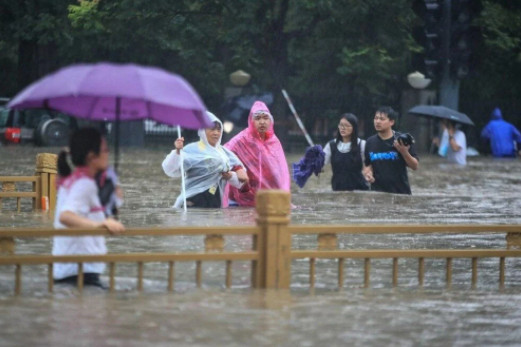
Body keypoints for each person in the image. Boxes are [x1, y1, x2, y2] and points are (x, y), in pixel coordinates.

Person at [54, 127, 125, 288]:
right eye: (105, 150)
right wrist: (100, 225)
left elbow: (104, 208)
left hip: (75, 268)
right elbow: (66, 216)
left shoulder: (77, 180)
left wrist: (114, 188)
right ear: (92, 156)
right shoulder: (84, 184)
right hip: (79, 272)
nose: (108, 154)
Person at [162, 112, 248, 208]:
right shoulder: (191, 149)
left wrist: (231, 176)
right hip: (194, 200)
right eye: (212, 129)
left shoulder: (224, 152)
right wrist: (177, 151)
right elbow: (172, 169)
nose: (216, 133)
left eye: (219, 130)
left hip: (215, 200)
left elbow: (241, 180)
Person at [224, 100, 290, 207]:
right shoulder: (241, 140)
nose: (262, 122)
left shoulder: (274, 142)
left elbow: (281, 170)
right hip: (241, 198)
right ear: (251, 121)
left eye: (265, 118)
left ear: (271, 121)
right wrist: (237, 168)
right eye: (258, 118)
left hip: (267, 199)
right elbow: (223, 154)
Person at [363, 106, 419, 195]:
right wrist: (368, 173)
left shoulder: (402, 140)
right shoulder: (370, 142)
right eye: (376, 118)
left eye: (382, 119)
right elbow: (367, 164)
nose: (377, 121)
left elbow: (415, 166)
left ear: (391, 122)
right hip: (377, 194)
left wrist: (404, 152)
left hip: (401, 194)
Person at [323, 113, 368, 191]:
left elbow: (370, 164)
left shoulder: (362, 144)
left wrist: (368, 173)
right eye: (341, 125)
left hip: (359, 190)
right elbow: (321, 164)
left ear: (354, 128)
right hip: (337, 189)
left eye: (347, 126)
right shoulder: (331, 145)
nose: (343, 128)